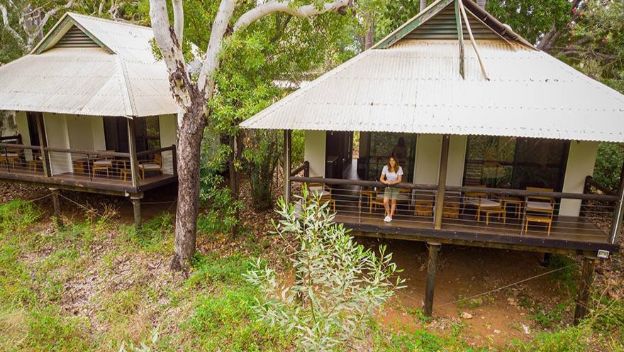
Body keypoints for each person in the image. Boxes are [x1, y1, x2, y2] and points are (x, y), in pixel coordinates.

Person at [380, 156, 403, 222]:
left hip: (395, 187)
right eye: (390, 160)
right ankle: (388, 214)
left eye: (393, 160)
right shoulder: (385, 167)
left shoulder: (399, 168)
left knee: (393, 201)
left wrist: (392, 182)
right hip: (388, 186)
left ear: (396, 161)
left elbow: (399, 180)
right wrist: (386, 182)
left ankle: (391, 216)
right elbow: (381, 178)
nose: (391, 162)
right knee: (385, 201)